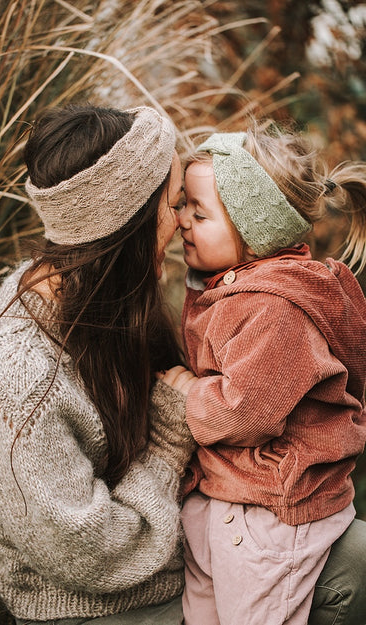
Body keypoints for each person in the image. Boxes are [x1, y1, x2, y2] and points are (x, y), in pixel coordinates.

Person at [0, 104, 366, 625]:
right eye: (177, 204)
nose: (182, 223)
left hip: (188, 543)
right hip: (104, 601)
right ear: (128, 226)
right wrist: (176, 428)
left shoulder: (113, 299)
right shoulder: (17, 375)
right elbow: (90, 553)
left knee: (357, 557)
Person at [172, 126, 366, 625]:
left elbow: (246, 412)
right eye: (182, 207)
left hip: (270, 510)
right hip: (229, 495)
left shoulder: (274, 310)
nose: (181, 222)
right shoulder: (232, 287)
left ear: (252, 226)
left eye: (199, 212)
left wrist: (186, 392)